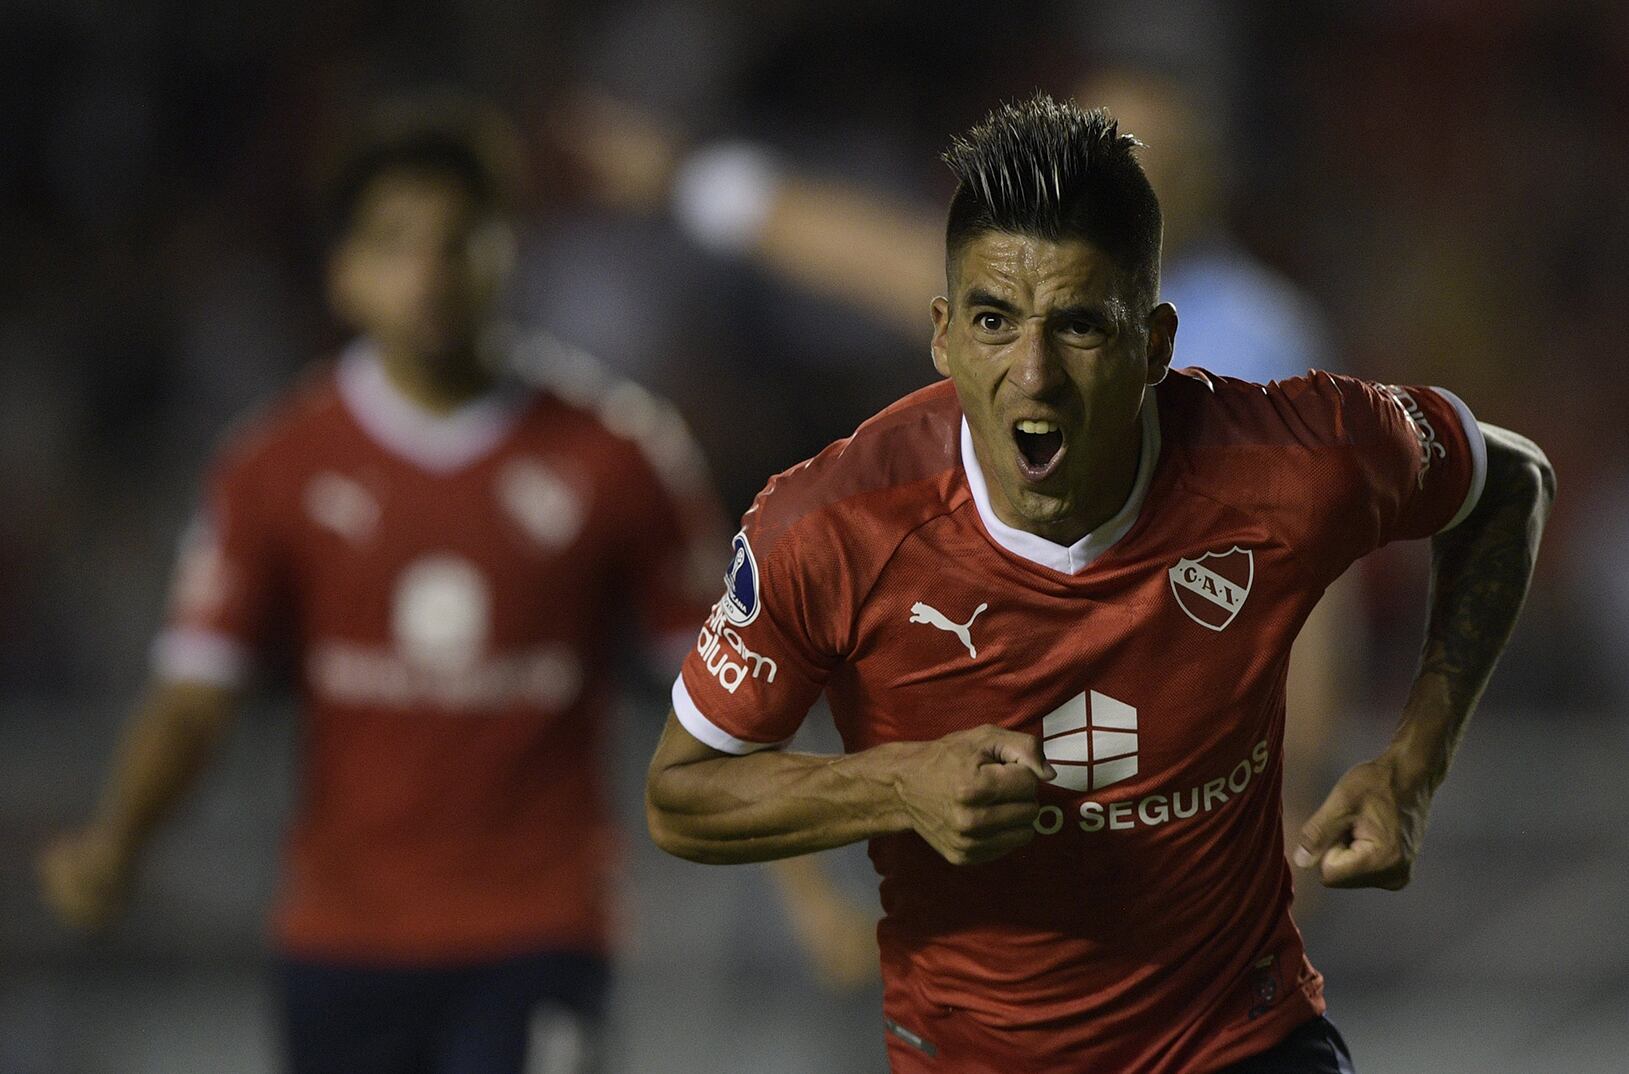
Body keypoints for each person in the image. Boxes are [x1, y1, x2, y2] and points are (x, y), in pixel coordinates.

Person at [644, 94, 1554, 1072]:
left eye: (1077, 325)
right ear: (943, 335)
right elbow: (682, 795)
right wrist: (893, 786)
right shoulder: (826, 527)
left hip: (1235, 1041)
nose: (1032, 374)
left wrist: (1414, 766)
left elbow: (1511, 485)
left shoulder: (1291, 459)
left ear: (1156, 343)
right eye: (994, 322)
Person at [37, 96, 868, 1074]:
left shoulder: (618, 455)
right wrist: (118, 839)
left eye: (456, 240)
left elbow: (734, 688)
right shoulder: (275, 466)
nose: (427, 273)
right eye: (393, 245)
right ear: (343, 274)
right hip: (342, 939)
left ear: (507, 253)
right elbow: (193, 696)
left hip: (539, 928)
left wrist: (813, 892)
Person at [560, 70, 1349, 865]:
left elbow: (1311, 577)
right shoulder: (1024, 277)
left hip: (1177, 724)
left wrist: (1292, 791)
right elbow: (862, 250)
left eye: (1135, 155)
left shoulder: (1254, 338)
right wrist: (691, 181)